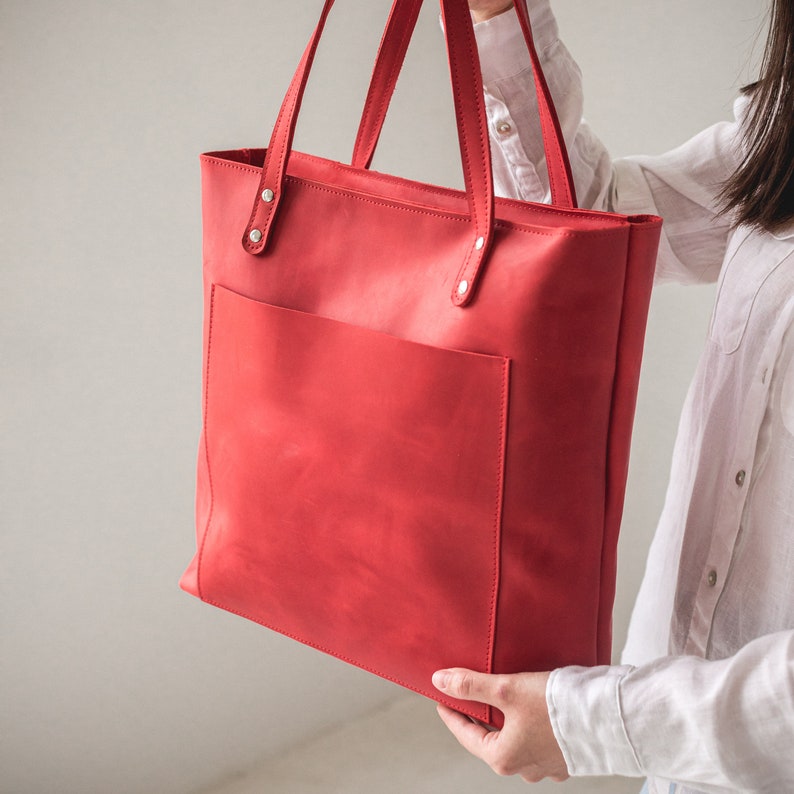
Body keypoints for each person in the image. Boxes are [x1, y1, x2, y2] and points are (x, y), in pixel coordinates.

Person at [431, 2, 794, 792]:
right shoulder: (782, 135)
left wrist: (592, 725)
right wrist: (498, 20)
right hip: (682, 749)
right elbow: (592, 216)